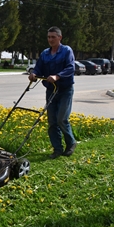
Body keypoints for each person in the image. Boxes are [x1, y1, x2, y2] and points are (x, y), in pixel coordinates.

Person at [28, 26, 77, 159]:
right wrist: (33, 74)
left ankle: (71, 143)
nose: (50, 39)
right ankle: (57, 149)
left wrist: (57, 76)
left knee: (62, 119)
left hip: (65, 90)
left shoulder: (66, 51)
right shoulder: (45, 53)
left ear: (59, 38)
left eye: (53, 37)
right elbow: (38, 68)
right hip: (51, 90)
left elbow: (70, 68)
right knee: (52, 121)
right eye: (49, 37)